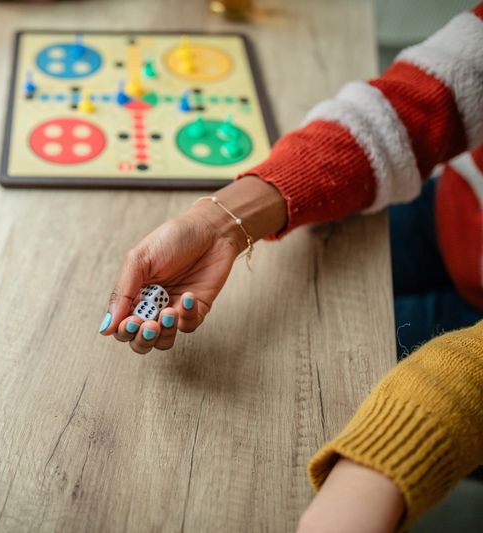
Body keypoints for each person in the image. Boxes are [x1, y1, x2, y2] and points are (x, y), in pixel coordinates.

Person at [98, 4, 483, 531]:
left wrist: (376, 467)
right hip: (456, 210)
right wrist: (219, 221)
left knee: (312, 379)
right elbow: (424, 100)